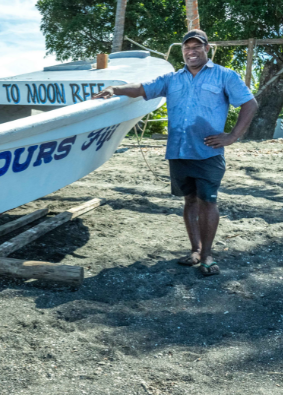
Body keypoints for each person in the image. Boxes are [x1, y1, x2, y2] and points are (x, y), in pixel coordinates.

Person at [92, 29, 258, 276]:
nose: (191, 52)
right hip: (179, 151)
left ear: (207, 49)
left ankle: (207, 256)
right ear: (183, 51)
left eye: (197, 47)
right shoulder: (172, 79)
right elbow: (142, 88)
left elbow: (250, 103)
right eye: (187, 48)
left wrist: (232, 136)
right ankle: (195, 250)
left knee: (208, 201)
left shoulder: (225, 76)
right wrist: (115, 89)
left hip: (208, 152)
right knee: (189, 200)